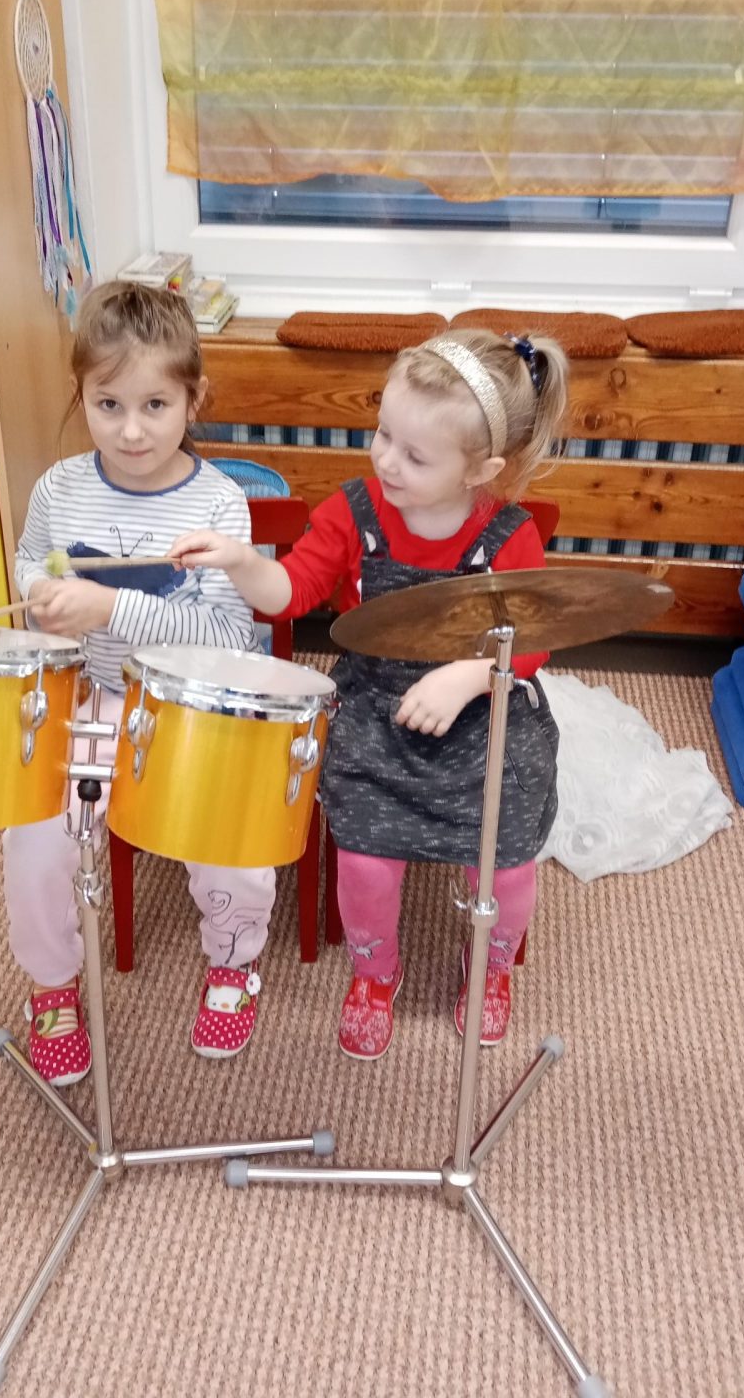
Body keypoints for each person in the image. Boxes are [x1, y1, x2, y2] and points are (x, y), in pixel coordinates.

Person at [171, 327, 568, 1058]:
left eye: (415, 455)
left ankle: (491, 967)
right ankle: (374, 975)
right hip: (380, 709)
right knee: (363, 862)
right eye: (383, 434)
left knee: (509, 862)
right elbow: (290, 592)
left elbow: (533, 640)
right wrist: (240, 561)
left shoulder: (509, 536)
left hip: (485, 712)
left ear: (481, 469)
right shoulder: (353, 512)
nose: (386, 460)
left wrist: (467, 675)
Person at [4, 281, 269, 1084]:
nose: (131, 429)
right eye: (107, 403)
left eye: (155, 405)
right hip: (92, 699)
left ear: (194, 398)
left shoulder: (220, 503)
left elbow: (228, 637)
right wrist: (40, 597)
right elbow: (31, 561)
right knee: (34, 834)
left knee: (231, 838)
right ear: (80, 393)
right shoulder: (59, 489)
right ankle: (52, 987)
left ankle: (233, 964)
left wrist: (111, 606)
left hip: (190, 711)